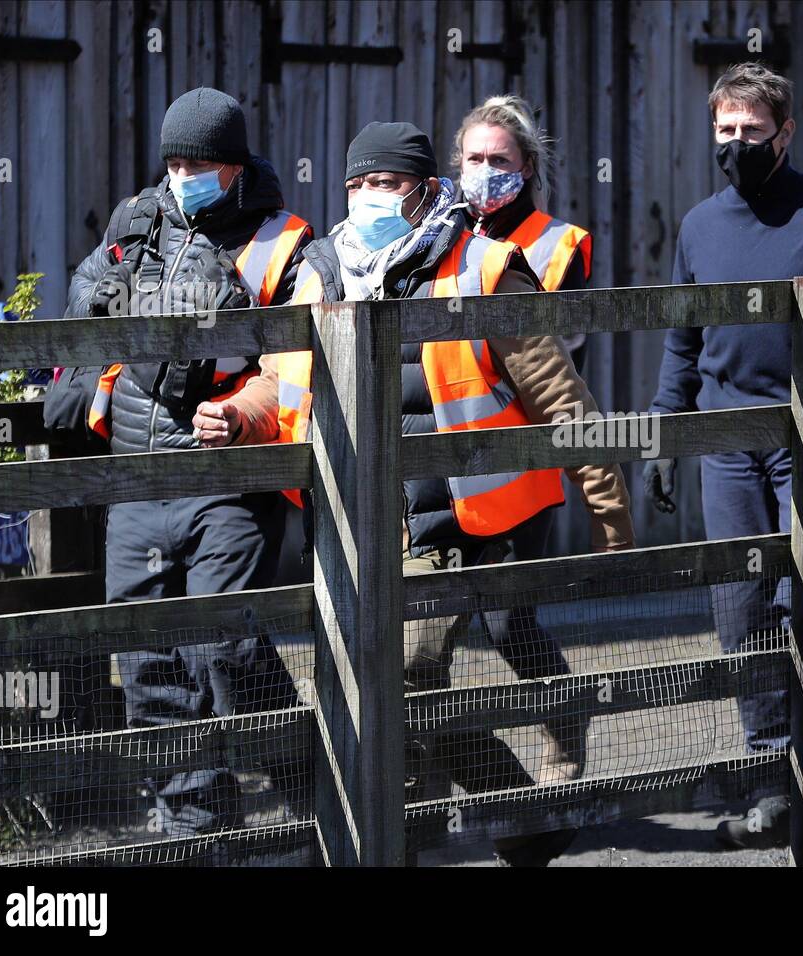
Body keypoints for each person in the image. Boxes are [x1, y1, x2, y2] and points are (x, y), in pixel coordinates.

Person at [265, 121, 634, 865]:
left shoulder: (488, 268)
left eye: (389, 183)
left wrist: (610, 516)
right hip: (360, 526)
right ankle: (513, 823)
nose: (372, 197)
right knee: (392, 695)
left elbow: (566, 403)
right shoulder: (321, 272)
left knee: (404, 672)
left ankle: (462, 826)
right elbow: (279, 385)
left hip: (463, 523)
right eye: (359, 184)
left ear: (426, 188)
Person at [43, 88, 313, 835]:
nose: (182, 173)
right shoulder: (138, 222)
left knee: (226, 644)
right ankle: (195, 827)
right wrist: (73, 371)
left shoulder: (284, 242)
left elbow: (296, 361)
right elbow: (90, 296)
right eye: (174, 160)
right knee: (148, 657)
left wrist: (241, 412)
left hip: (227, 476)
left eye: (198, 162)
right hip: (137, 472)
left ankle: (318, 791)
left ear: (233, 166)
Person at [640, 62, 803, 849]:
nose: (737, 144)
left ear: (784, 132)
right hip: (724, 440)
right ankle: (769, 773)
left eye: (752, 131)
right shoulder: (698, 225)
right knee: (740, 612)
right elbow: (683, 336)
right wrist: (663, 428)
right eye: (725, 131)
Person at [453, 94, 592, 367]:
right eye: (474, 159)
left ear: (526, 167)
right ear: (461, 163)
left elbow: (566, 359)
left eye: (499, 160)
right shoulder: (440, 236)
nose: (485, 171)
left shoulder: (561, 245)